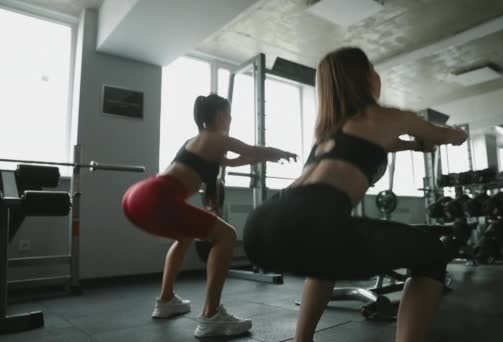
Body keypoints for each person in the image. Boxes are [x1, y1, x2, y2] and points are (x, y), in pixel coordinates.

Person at [242, 47, 467, 342]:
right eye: (372, 68)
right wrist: (457, 134)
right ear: (363, 77)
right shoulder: (389, 116)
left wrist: (413, 146)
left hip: (260, 225)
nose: (377, 74)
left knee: (324, 264)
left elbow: (381, 143)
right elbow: (443, 135)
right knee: (433, 254)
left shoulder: (328, 134)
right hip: (310, 220)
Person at [122, 94, 297, 338]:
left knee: (183, 238)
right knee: (227, 235)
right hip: (157, 195)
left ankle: (166, 300)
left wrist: (256, 157)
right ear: (220, 115)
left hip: (137, 197)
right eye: (230, 114)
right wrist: (280, 152)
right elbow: (251, 150)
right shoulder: (216, 137)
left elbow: (236, 160)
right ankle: (211, 315)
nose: (231, 119)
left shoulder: (198, 141)